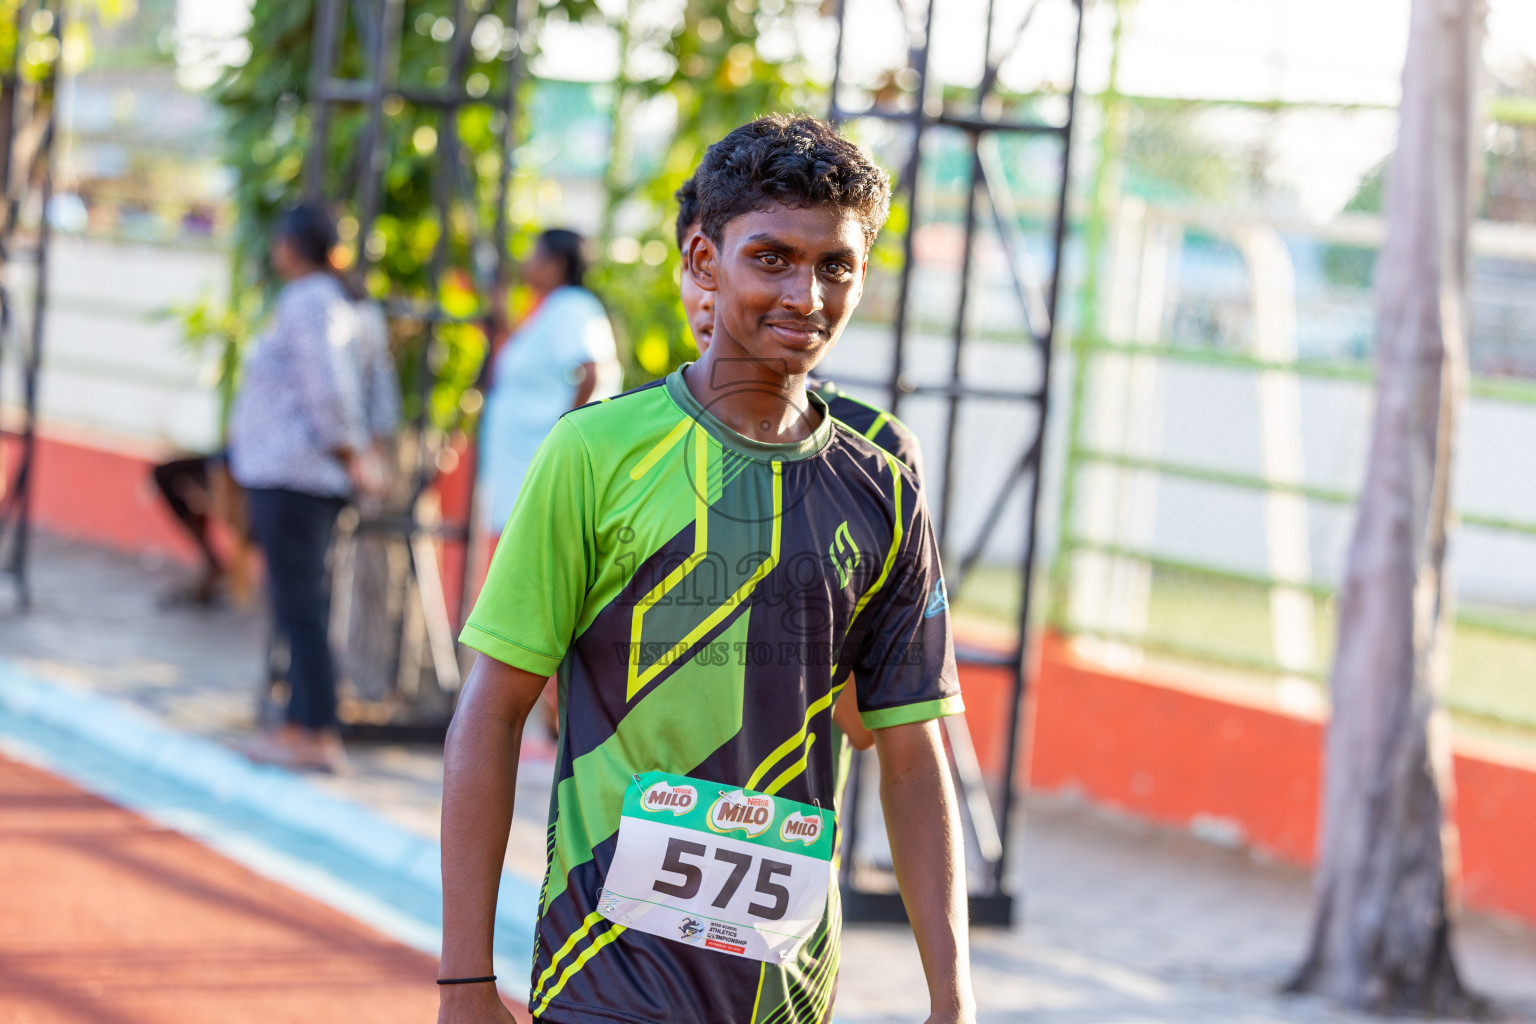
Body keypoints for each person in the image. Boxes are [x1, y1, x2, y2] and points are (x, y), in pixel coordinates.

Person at [439, 115, 974, 1024]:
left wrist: (952, 998)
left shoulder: (885, 489)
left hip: (785, 994)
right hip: (604, 976)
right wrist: (463, 981)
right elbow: (491, 711)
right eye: (773, 258)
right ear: (703, 261)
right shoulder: (595, 453)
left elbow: (912, 754)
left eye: (836, 266)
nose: (806, 293)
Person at [228, 203, 386, 773]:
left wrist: (352, 453)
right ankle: (303, 725)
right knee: (302, 605)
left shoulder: (308, 300)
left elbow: (328, 388)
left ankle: (315, 732)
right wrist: (365, 453)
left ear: (293, 246)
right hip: (310, 476)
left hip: (296, 474)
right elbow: (380, 390)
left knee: (301, 608)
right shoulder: (349, 302)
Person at [479, 229, 621, 534]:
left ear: (556, 264)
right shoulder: (553, 309)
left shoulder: (572, 306)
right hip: (522, 465)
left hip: (540, 467)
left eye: (535, 254)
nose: (527, 261)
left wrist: (564, 437)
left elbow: (591, 372)